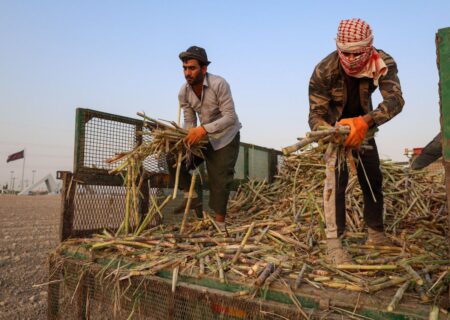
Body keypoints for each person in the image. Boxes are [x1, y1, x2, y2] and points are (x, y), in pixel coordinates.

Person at [308, 18, 405, 264]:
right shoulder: (324, 70)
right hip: (334, 133)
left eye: (357, 54)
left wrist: (365, 122)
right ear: (339, 48)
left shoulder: (382, 62)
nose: (351, 59)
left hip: (365, 128)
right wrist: (332, 131)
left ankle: (375, 234)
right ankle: (335, 245)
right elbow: (315, 115)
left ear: (369, 47)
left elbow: (395, 100)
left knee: (372, 178)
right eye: (346, 53)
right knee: (335, 184)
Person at [168, 45, 241, 229]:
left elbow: (230, 117)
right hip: (203, 137)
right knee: (174, 159)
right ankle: (191, 198)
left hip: (226, 136)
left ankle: (219, 225)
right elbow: (189, 121)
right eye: (184, 68)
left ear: (204, 68)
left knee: (219, 178)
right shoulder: (183, 92)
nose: (187, 73)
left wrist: (204, 129)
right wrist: (186, 140)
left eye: (192, 68)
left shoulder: (219, 84)